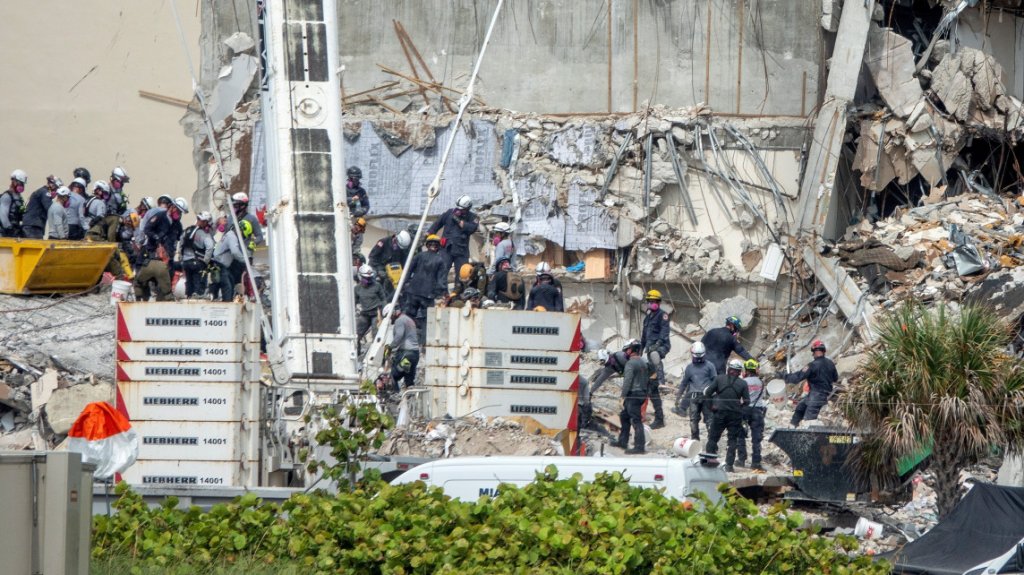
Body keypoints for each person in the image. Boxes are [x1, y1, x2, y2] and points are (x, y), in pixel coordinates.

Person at [703, 358, 750, 472]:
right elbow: (747, 401)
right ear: (739, 372)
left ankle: (710, 461)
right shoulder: (743, 383)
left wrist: (711, 407)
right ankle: (729, 465)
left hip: (719, 412)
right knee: (732, 440)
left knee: (713, 437)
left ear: (729, 368)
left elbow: (708, 393)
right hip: (735, 415)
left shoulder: (719, 379)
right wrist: (740, 408)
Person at [402, 234, 448, 345]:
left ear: (427, 245)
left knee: (408, 316)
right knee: (426, 321)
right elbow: (441, 281)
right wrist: (442, 293)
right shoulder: (440, 260)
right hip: (427, 296)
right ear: (438, 246)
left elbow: (408, 270)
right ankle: (424, 346)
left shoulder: (419, 256)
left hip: (412, 291)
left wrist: (405, 284)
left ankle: (404, 341)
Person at [427, 195, 478, 288]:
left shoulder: (473, 218)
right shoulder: (450, 213)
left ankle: (457, 295)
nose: (459, 210)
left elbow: (472, 228)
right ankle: (440, 292)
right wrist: (429, 233)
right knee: (442, 270)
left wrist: (458, 221)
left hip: (461, 251)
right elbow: (437, 223)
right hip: (446, 249)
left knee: (463, 274)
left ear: (468, 208)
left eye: (462, 209)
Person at [784, 340, 838, 428]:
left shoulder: (812, 365)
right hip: (827, 394)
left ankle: (809, 437)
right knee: (800, 407)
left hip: (816, 395)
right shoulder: (830, 363)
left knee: (809, 420)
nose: (812, 355)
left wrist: (784, 376)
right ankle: (792, 427)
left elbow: (797, 377)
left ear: (815, 351)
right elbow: (835, 378)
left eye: (813, 353)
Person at [640, 289, 670, 429]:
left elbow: (664, 334)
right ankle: (658, 419)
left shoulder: (662, 316)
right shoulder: (648, 316)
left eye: (653, 301)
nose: (651, 304)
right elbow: (644, 336)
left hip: (661, 346)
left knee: (654, 355)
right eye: (649, 301)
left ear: (658, 302)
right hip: (650, 347)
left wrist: (657, 345)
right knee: (650, 388)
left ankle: (661, 380)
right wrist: (640, 350)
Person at [613, 340, 649, 454]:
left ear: (633, 350)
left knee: (636, 420)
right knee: (624, 416)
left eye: (628, 349)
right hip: (641, 394)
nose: (626, 351)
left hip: (633, 395)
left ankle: (639, 446)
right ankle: (623, 441)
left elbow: (627, 380)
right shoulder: (643, 362)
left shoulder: (630, 363)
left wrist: (623, 395)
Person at [676, 341, 717, 440]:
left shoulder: (710, 366)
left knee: (709, 421)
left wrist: (715, 397)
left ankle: (711, 444)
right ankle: (695, 442)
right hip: (694, 397)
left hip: (706, 397)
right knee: (693, 421)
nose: (698, 359)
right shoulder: (689, 368)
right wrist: (678, 397)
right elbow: (684, 383)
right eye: (696, 357)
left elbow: (715, 382)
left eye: (700, 357)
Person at [737, 359, 768, 472]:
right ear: (756, 369)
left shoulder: (742, 382)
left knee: (740, 435)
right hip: (757, 411)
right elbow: (763, 397)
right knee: (756, 438)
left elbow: (739, 397)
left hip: (744, 410)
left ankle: (741, 459)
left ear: (746, 369)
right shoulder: (761, 383)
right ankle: (756, 462)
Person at [179, 211, 215, 299]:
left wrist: (182, 259)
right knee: (199, 289)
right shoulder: (204, 234)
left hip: (186, 262)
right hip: (198, 263)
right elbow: (210, 247)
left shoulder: (187, 230)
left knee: (189, 284)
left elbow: (181, 244)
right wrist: (206, 261)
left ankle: (189, 298)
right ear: (205, 222)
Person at [354, 264, 388, 355]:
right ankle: (356, 354)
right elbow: (354, 301)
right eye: (366, 278)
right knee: (356, 335)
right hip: (365, 314)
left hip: (376, 313)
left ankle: (376, 356)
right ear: (360, 276)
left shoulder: (377, 286)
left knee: (376, 335)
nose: (368, 280)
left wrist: (384, 310)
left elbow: (383, 298)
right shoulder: (357, 288)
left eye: (370, 278)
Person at [369, 229, 411, 297]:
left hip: (392, 270)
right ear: (396, 240)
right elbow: (372, 257)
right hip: (378, 267)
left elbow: (404, 263)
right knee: (373, 278)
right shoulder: (383, 242)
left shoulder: (402, 249)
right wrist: (379, 270)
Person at [212, 219, 246, 302]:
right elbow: (234, 252)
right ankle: (227, 304)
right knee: (227, 287)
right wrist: (244, 260)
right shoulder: (232, 237)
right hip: (220, 265)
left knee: (229, 281)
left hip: (218, 264)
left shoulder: (228, 234)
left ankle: (215, 297)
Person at [387, 305, 419, 392]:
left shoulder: (399, 321)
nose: (391, 319)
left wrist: (390, 347)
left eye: (390, 316)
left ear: (394, 313)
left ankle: (395, 396)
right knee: (409, 381)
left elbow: (398, 336)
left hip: (406, 355)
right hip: (415, 355)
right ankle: (409, 402)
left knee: (393, 376)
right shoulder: (408, 319)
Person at [0, 170, 27, 237]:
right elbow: (3, 215)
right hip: (5, 233)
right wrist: (10, 229)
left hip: (15, 230)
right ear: (13, 181)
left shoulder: (19, 198)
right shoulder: (7, 196)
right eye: (20, 183)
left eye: (23, 184)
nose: (22, 186)